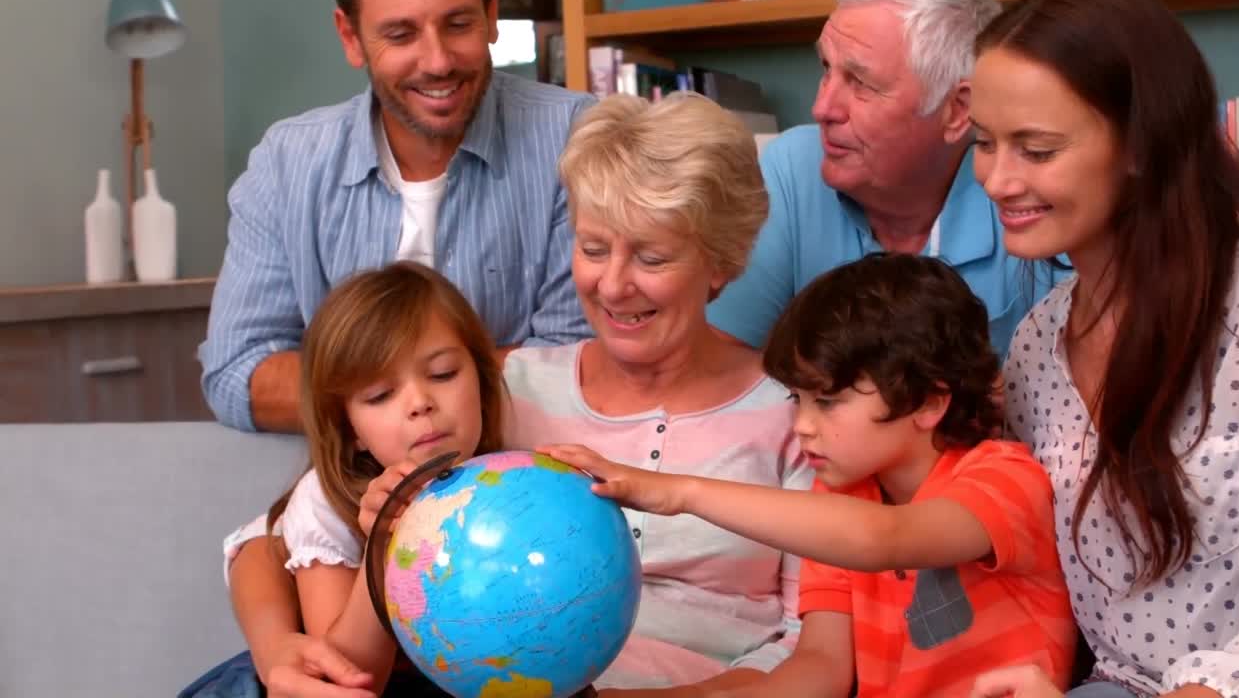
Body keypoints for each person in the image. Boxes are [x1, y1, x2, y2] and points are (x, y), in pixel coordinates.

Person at [213, 92, 811, 697]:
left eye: (652, 257)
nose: (612, 285)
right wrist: (275, 646)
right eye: (593, 249)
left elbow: (811, 649)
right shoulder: (502, 390)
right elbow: (276, 535)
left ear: (721, 262)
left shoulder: (798, 417)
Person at [546, 252, 1078, 698]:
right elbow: (820, 669)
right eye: (796, 399)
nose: (801, 425)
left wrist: (679, 492)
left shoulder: (1004, 478)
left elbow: (883, 538)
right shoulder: (841, 500)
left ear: (928, 403)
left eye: (826, 401)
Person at [959, 0, 1239, 697]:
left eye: (1036, 149)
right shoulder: (1039, 341)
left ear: (1141, 145)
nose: (997, 180)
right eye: (983, 143)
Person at [199, 0, 593, 435]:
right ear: (351, 37)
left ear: (491, 14)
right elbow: (238, 372)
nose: (438, 62)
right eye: (402, 35)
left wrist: (364, 394)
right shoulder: (286, 164)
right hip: (350, 479)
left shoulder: (577, 138)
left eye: (458, 24)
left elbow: (579, 364)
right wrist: (415, 396)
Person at [184, 261, 507, 698]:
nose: (420, 402)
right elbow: (351, 676)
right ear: (351, 430)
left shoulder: (511, 474)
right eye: (380, 395)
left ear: (482, 382)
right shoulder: (323, 503)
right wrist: (382, 546)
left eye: (443, 373)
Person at [706, 0, 1066, 358]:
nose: (822, 108)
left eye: (861, 83)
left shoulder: (1026, 198)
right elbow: (718, 365)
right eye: (826, 68)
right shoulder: (792, 169)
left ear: (959, 109)